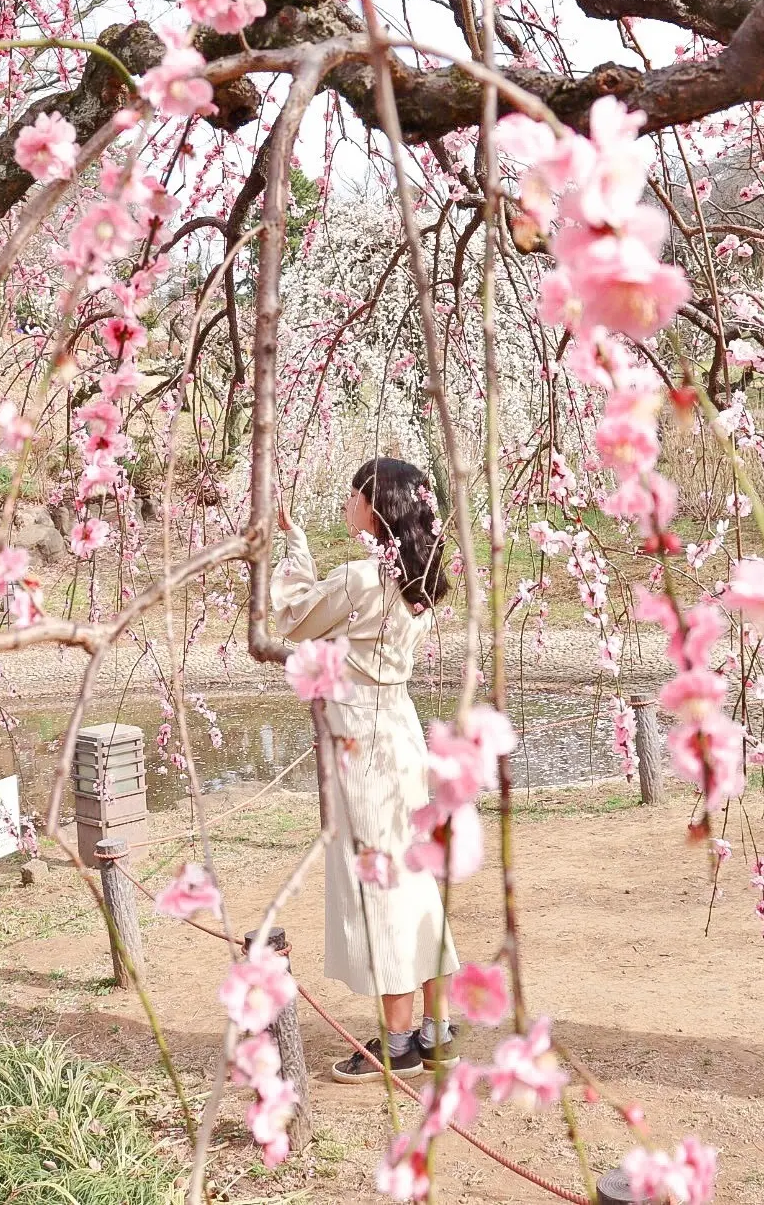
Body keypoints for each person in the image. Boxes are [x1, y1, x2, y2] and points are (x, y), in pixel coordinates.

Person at [271, 456, 459, 1083]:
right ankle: (435, 1029)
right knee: (414, 876)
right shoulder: (419, 576)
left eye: (355, 492)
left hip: (362, 741)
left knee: (381, 883)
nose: (348, 500)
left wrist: (291, 549)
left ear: (376, 507)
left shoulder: (360, 578)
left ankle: (399, 1041)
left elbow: (294, 617)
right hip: (401, 731)